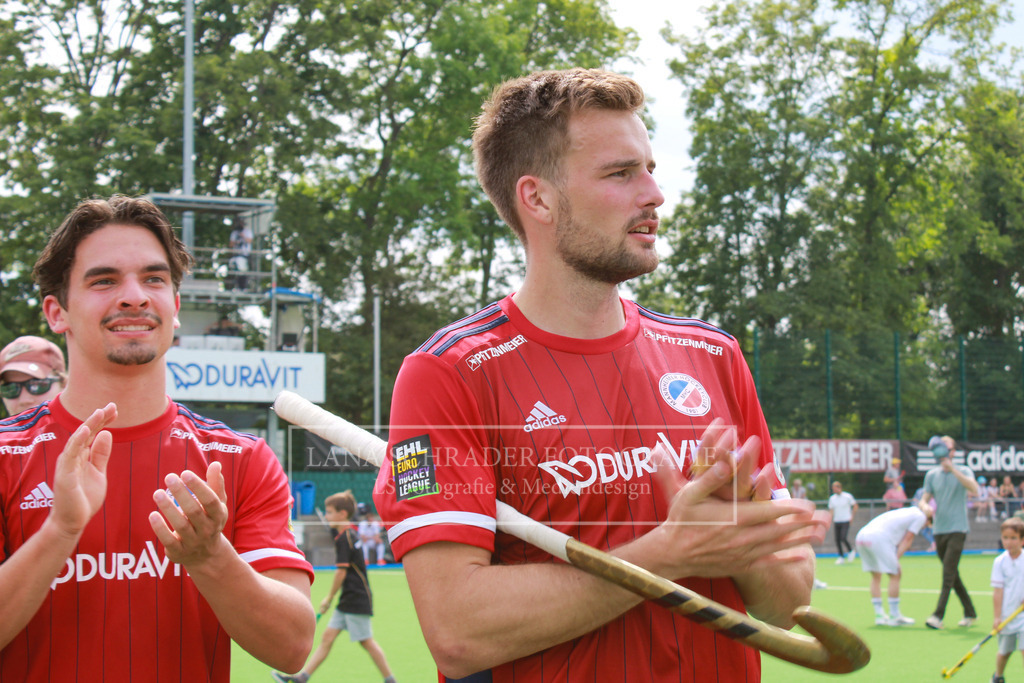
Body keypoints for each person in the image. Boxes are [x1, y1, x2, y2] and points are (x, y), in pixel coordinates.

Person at [372, 68, 828, 682]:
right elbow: (458, 630)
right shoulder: (448, 374)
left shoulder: (712, 355)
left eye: (650, 168)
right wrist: (668, 552)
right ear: (537, 198)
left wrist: (738, 532)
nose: (654, 194)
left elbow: (788, 603)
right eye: (621, 173)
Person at [0, 195, 315, 679]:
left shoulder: (240, 459)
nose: (135, 296)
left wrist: (211, 559)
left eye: (154, 279)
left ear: (175, 304)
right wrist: (59, 532)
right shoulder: (6, 454)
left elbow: (292, 647)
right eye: (104, 280)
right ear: (56, 312)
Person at [272, 491, 396, 683]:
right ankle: (301, 678)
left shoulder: (345, 539)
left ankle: (390, 680)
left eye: (330, 512)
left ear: (342, 514)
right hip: (348, 597)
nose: (327, 516)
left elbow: (341, 572)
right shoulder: (349, 534)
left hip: (356, 598)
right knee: (328, 637)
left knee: (367, 642)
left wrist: (328, 598)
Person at [921, 434, 979, 630]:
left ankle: (938, 616)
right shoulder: (932, 475)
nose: (945, 452)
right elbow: (924, 499)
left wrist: (952, 469)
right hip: (939, 530)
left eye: (948, 448)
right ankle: (970, 612)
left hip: (958, 529)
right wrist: (924, 507)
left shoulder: (963, 470)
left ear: (953, 452)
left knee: (947, 574)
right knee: (952, 574)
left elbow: (975, 489)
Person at [854, 504, 932, 626]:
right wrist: (896, 559)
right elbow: (908, 539)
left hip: (862, 536)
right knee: (895, 573)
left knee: (876, 576)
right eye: (926, 525)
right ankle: (894, 616)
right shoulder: (920, 516)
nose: (923, 527)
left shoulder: (907, 511)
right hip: (877, 537)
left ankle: (879, 615)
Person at [991, 517, 1024, 683]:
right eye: (1005, 538)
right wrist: (997, 617)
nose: (1009, 542)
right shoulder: (999, 562)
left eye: (1013, 538)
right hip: (1007, 615)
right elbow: (998, 591)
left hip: (1023, 616)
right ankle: (998, 676)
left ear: (1022, 540)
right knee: (1004, 652)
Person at [0, 335, 66, 417]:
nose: (24, 400)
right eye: (11, 389)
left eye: (36, 385)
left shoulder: (84, 428)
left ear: (64, 384)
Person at [828, 480, 859, 563]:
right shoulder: (832, 498)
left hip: (846, 520)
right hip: (837, 520)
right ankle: (841, 556)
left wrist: (852, 517)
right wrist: (829, 519)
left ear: (839, 488)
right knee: (837, 539)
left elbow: (855, 506)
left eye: (835, 488)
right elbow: (831, 510)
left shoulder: (847, 496)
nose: (834, 490)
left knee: (843, 537)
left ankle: (850, 550)